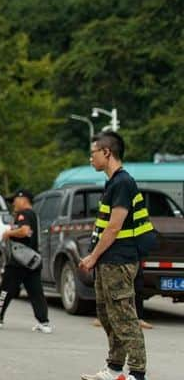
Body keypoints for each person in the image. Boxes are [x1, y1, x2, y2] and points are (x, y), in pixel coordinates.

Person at [79, 132, 153, 380]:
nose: (91, 158)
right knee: (107, 314)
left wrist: (92, 257)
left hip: (119, 261)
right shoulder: (112, 182)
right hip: (108, 260)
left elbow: (114, 227)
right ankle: (114, 368)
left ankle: (137, 373)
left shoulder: (122, 182)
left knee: (124, 317)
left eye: (93, 153)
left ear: (107, 152)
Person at [0, 189, 52, 332]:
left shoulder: (23, 214)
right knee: (36, 292)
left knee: (6, 289)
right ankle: (44, 323)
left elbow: (24, 231)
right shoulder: (34, 215)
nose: (13, 204)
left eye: (15, 200)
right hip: (32, 261)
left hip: (19, 260)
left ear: (23, 199)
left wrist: (8, 233)